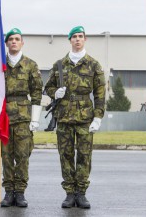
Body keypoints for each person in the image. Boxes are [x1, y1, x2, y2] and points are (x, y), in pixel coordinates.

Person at [44, 26, 105, 209]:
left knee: (84, 156)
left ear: (84, 39)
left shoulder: (93, 64)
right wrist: (56, 93)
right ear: (70, 40)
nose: (77, 39)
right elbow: (47, 87)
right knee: (66, 155)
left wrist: (98, 117)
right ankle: (70, 193)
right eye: (74, 37)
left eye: (80, 36)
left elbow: (100, 93)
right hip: (64, 116)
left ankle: (82, 193)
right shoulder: (59, 65)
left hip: (85, 117)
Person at [0, 28, 43, 207]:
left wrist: (35, 119)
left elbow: (36, 93)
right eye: (11, 39)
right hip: (4, 117)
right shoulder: (0, 65)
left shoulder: (30, 65)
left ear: (22, 42)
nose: (14, 42)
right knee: (6, 156)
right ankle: (9, 192)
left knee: (23, 155)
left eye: (17, 39)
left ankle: (20, 192)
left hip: (24, 117)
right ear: (7, 43)